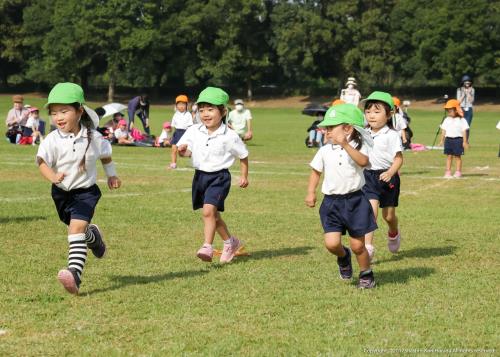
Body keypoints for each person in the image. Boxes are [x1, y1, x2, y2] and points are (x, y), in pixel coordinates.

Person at [36, 82, 121, 294]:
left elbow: (106, 156)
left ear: (79, 111)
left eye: (64, 111)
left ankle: (74, 274)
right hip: (61, 193)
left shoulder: (94, 138)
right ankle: (94, 237)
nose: (58, 117)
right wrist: (53, 177)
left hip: (86, 193)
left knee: (75, 230)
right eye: (54, 113)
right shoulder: (52, 140)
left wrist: (111, 175)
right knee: (80, 230)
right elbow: (41, 162)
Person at [305, 103, 377, 289]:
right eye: (326, 128)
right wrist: (311, 192)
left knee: (358, 246)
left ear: (348, 128)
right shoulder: (324, 150)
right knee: (331, 244)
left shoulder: (358, 147)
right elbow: (315, 172)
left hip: (355, 202)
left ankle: (366, 273)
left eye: (331, 127)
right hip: (331, 203)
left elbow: (363, 162)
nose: (327, 132)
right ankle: (343, 257)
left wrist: (345, 144)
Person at [176, 87, 249, 264]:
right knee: (213, 216)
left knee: (208, 212)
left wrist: (244, 176)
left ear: (223, 111)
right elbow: (187, 153)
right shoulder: (194, 131)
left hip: (219, 178)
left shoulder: (230, 135)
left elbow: (243, 155)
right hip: (200, 177)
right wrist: (182, 152)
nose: (205, 114)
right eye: (201, 110)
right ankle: (230, 242)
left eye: (210, 109)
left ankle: (207, 246)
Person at [361, 92, 403, 262]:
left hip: (387, 177)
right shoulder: (363, 132)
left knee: (389, 216)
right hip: (368, 177)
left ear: (389, 114)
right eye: (368, 111)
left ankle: (394, 232)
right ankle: (368, 248)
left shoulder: (392, 135)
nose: (371, 115)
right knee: (370, 212)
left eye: (377, 111)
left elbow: (399, 159)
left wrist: (390, 172)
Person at [439, 99, 469, 178]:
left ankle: (458, 172)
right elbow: (443, 131)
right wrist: (442, 140)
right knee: (449, 156)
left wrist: (465, 141)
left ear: (456, 110)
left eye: (450, 110)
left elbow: (464, 131)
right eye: (447, 110)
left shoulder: (461, 120)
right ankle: (448, 172)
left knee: (457, 156)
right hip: (448, 140)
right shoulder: (446, 120)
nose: (449, 112)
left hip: (458, 140)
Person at [169, 94, 193, 169]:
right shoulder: (175, 114)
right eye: (179, 104)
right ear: (176, 106)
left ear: (186, 105)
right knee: (173, 149)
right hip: (177, 133)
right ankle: (173, 164)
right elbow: (173, 125)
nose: (181, 106)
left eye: (183, 104)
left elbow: (190, 126)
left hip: (185, 133)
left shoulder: (188, 114)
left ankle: (193, 155)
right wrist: (171, 135)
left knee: (181, 153)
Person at [456, 75, 474, 141]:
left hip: (469, 109)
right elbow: (458, 102)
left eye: (469, 82)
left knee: (467, 126)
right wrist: (464, 94)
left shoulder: (472, 90)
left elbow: (471, 101)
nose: (467, 84)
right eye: (466, 82)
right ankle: (460, 140)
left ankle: (466, 141)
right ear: (463, 82)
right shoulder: (459, 90)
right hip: (461, 109)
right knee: (461, 126)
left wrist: (469, 93)